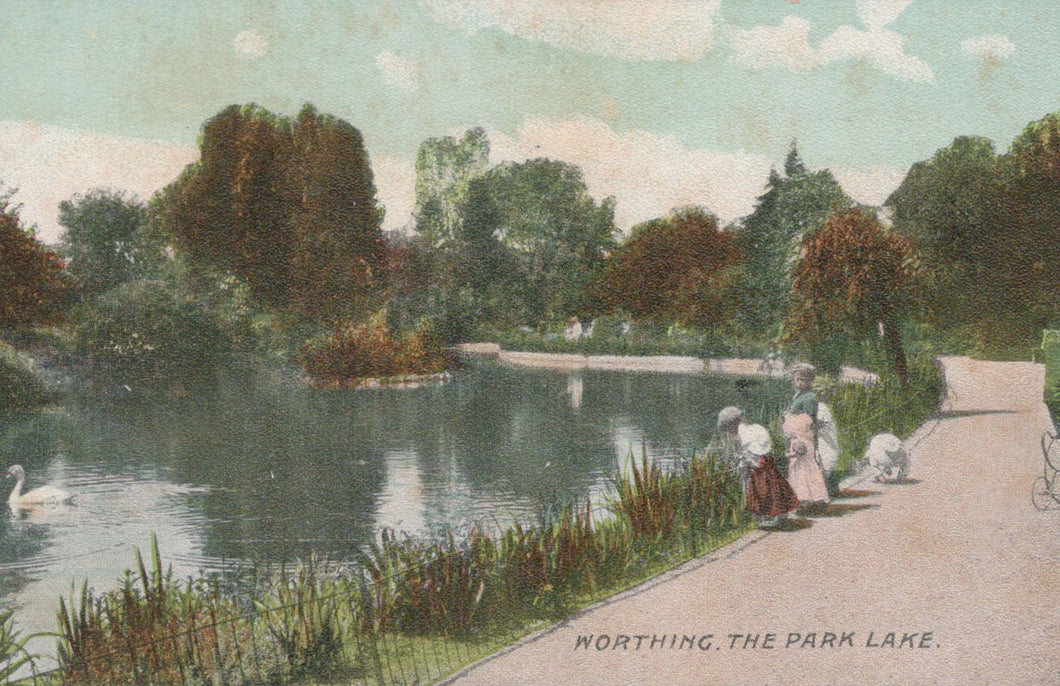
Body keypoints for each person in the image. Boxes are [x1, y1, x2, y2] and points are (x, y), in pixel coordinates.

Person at [716, 406, 799, 527]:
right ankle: (772, 515)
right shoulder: (754, 428)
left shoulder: (744, 433)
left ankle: (770, 516)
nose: (729, 431)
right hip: (764, 461)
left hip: (758, 464)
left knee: (763, 490)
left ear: (733, 423)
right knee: (771, 488)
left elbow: (751, 452)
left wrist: (745, 462)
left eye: (729, 427)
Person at [783, 363, 829, 507]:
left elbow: (809, 419)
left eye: (803, 379)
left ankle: (814, 497)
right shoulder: (798, 396)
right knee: (798, 467)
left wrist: (800, 434)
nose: (800, 382)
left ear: (810, 380)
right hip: (796, 436)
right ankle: (803, 497)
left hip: (803, 436)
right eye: (797, 379)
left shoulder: (809, 398)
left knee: (806, 465)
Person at [816, 401, 841, 495]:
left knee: (828, 466)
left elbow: (823, 426)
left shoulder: (822, 408)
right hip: (821, 445)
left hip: (828, 445)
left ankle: (828, 489)